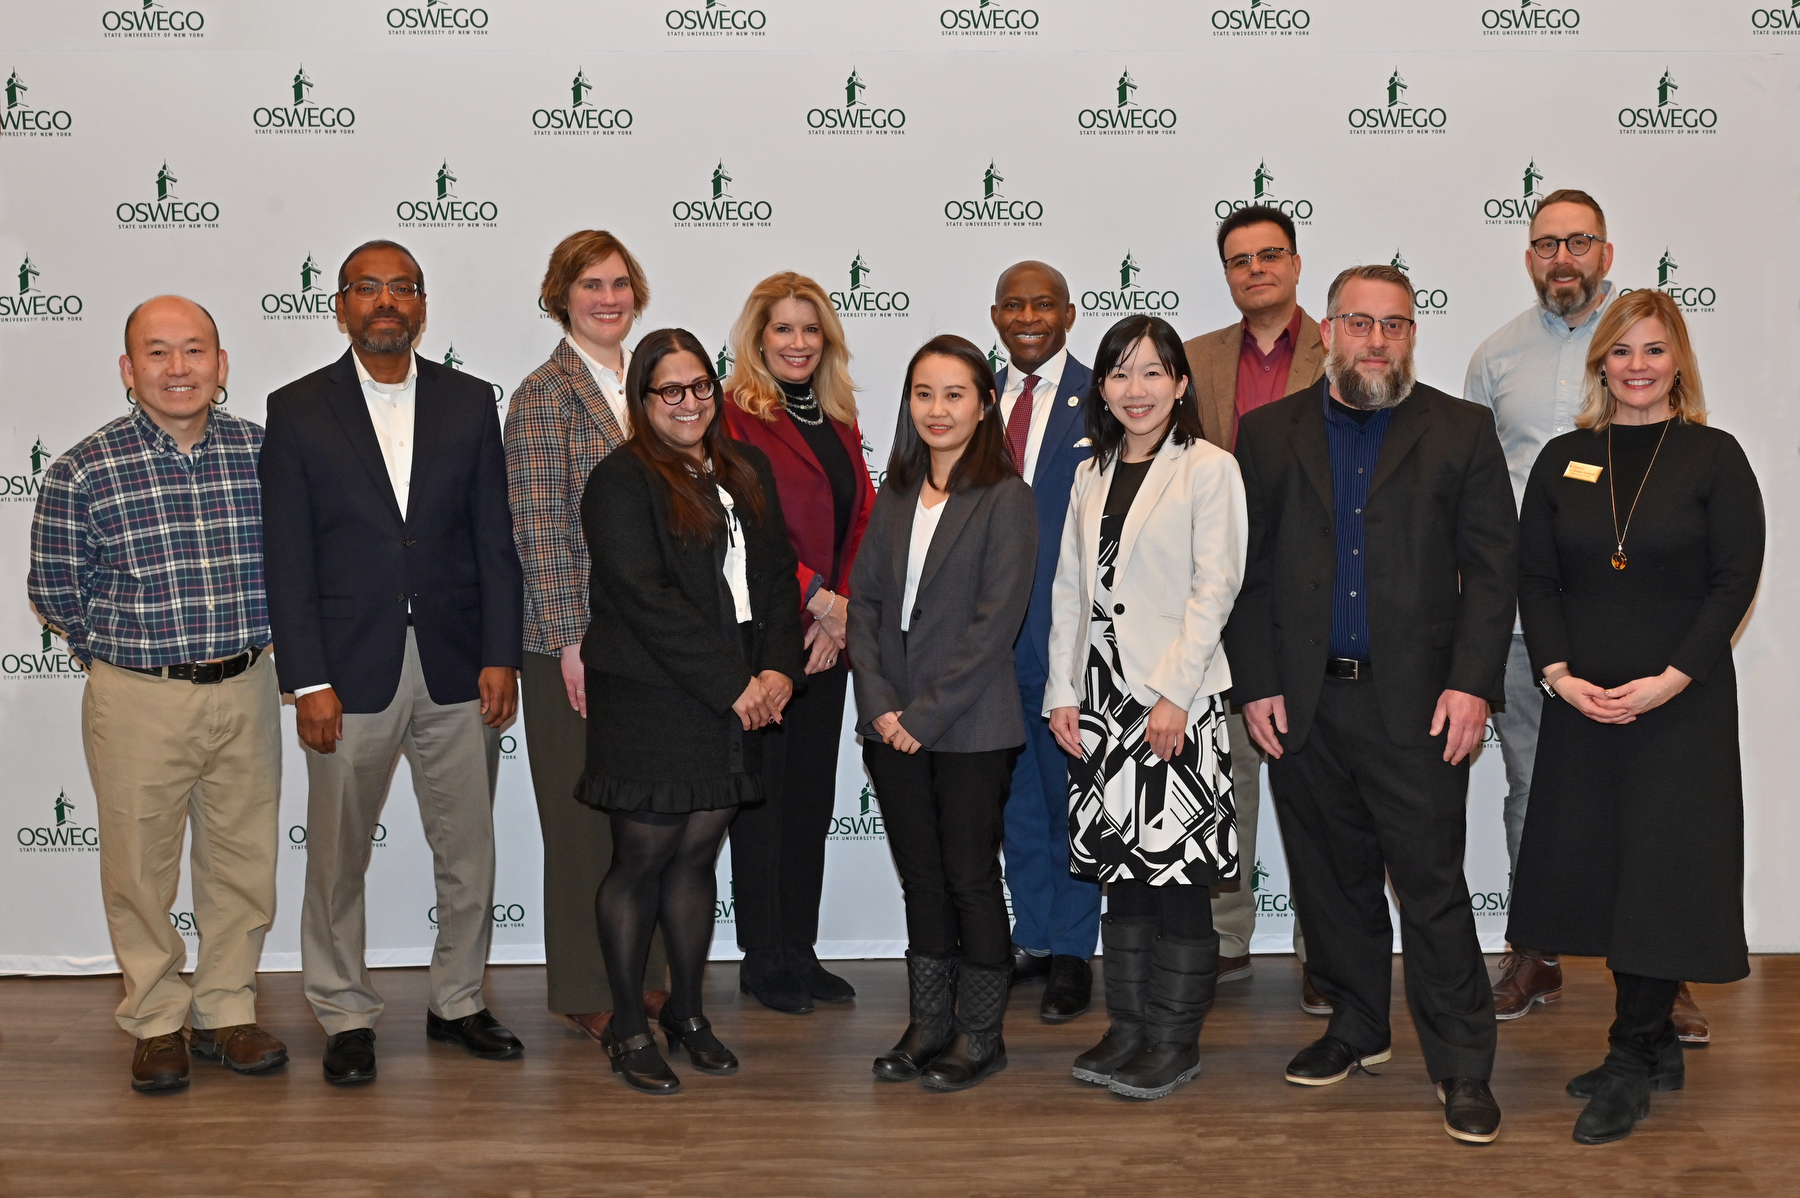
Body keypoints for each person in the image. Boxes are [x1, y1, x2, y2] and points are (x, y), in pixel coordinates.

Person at [1225, 264, 1516, 1144]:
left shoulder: (1461, 429)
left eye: (1394, 325)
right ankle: (1357, 1027)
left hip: (1421, 707)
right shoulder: (1266, 433)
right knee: (1329, 882)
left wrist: (1472, 684)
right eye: (1360, 323)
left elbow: (1492, 573)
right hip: (1305, 704)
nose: (1376, 341)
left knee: (1431, 891)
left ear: (1412, 334)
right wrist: (1257, 681)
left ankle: (1462, 1065)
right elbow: (1247, 575)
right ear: (1329, 330)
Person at [260, 240, 525, 1087]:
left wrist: (501, 653)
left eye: (402, 287)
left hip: (458, 664)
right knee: (338, 857)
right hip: (346, 672)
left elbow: (495, 539)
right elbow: (287, 559)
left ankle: (458, 1001)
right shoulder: (296, 409)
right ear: (340, 305)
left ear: (422, 305)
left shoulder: (470, 400)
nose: (386, 301)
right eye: (368, 288)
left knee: (469, 850)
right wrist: (308, 679)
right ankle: (345, 1013)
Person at [1507, 290, 1763, 1145]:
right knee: (1604, 871)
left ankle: (1628, 1057)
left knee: (1661, 875)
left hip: (1679, 704)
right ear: (1600, 363)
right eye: (1622, 351)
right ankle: (1653, 1049)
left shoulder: (1714, 456)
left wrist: (1672, 679)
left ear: (1678, 360)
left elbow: (1734, 580)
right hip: (1585, 702)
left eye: (1654, 350)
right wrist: (1558, 675)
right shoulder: (1564, 458)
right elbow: (1535, 578)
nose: (1638, 366)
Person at [1464, 191, 1712, 1043]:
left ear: (1606, 252)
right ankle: (1534, 949)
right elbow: (1478, 493)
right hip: (1530, 625)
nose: (1561, 258)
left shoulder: (1644, 340)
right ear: (1529, 256)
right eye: (1546, 244)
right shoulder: (1495, 357)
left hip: (1638, 623)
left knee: (1654, 803)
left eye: (1578, 242)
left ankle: (1660, 974)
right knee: (1536, 791)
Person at [29, 296, 287, 1094]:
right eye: (158, 352)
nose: (179, 368)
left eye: (195, 350)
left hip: (249, 685)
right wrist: (120, 660)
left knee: (243, 859)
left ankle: (226, 1010)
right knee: (140, 869)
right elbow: (56, 589)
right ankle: (156, 1019)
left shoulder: (265, 454)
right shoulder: (82, 469)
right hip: (139, 694)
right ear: (128, 368)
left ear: (221, 364)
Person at [578, 327, 802, 1094]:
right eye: (669, 390)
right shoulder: (620, 481)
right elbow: (646, 599)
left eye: (700, 385)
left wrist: (779, 668)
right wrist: (736, 685)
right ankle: (628, 1026)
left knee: (698, 856)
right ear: (642, 399)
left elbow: (776, 579)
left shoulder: (746, 467)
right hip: (651, 698)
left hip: (732, 692)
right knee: (641, 861)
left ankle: (689, 1013)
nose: (689, 402)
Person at [1044, 315, 1247, 1100]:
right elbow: (1070, 589)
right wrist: (1064, 692)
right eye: (1121, 373)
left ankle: (1173, 1040)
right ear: (1101, 387)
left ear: (1180, 384)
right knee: (1119, 873)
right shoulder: (1089, 471)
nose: (1137, 389)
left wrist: (1174, 695)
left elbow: (1214, 589)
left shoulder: (1210, 468)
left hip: (1173, 702)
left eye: (1154, 371)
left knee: (1177, 875)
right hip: (1100, 700)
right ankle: (1128, 1027)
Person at [851, 334, 1036, 1092]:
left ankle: (981, 1035)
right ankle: (929, 1025)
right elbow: (864, 605)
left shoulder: (1006, 498)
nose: (937, 409)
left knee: (968, 877)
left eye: (954, 394)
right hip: (889, 724)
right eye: (923, 394)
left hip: (970, 727)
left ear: (985, 404)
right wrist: (880, 706)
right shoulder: (895, 493)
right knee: (921, 880)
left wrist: (920, 718)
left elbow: (995, 627)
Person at [504, 230, 669, 1041]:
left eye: (618, 283)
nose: (608, 298)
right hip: (573, 643)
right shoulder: (544, 395)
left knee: (650, 817)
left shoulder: (654, 382)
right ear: (560, 298)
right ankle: (587, 985)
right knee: (580, 824)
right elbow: (539, 529)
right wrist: (572, 641)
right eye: (590, 285)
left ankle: (650, 974)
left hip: (656, 642)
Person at [1181, 204, 1326, 1013]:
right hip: (1220, 599)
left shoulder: (1344, 349)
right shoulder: (1194, 359)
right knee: (1226, 776)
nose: (1256, 270)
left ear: (1297, 264)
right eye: (1241, 260)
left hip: (1312, 598)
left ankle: (1322, 945)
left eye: (1271, 255)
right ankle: (1226, 937)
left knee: (1315, 785)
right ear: (1227, 274)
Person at [721, 272, 877, 1014]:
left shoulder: (838, 415)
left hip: (830, 638)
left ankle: (801, 950)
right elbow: (745, 524)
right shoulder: (733, 415)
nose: (798, 342)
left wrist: (840, 612)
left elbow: (863, 517)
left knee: (811, 799)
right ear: (758, 338)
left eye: (810, 329)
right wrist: (816, 599)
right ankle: (763, 957)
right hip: (767, 636)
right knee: (764, 801)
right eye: (783, 328)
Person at [988, 260, 1100, 1023]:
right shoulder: (970, 397)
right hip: (990, 639)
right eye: (1014, 305)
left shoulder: (1105, 395)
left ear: (1068, 313)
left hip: (1069, 637)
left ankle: (1072, 949)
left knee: (1071, 799)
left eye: (1043, 304)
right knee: (1016, 802)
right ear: (996, 316)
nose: (1028, 317)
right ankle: (1029, 934)